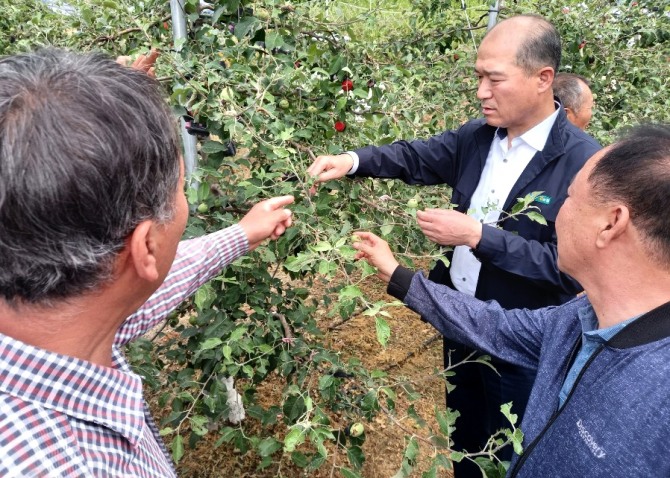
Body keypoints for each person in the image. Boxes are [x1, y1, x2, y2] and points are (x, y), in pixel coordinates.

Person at [307, 14, 601, 474]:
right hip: (457, 320)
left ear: (543, 79)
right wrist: (351, 160)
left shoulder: (584, 164)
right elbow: (415, 156)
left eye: (494, 79)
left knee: (511, 449)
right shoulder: (480, 136)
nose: (481, 91)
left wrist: (478, 236)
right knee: (466, 439)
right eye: (478, 77)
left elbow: (568, 270)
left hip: (519, 341)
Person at [0, 48, 294, 476]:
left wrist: (243, 233)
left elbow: (132, 291)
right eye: (180, 190)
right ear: (145, 248)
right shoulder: (72, 466)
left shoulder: (60, 318)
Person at [352, 124, 670, 477]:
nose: (558, 213)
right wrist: (397, 274)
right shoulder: (578, 319)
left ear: (612, 223)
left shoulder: (657, 394)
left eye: (568, 197)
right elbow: (494, 326)